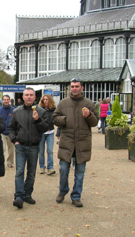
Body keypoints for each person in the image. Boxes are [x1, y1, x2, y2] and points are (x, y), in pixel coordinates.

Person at [53, 78, 98, 208]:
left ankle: (76, 196)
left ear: (82, 88)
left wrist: (89, 115)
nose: (74, 89)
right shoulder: (63, 103)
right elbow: (55, 118)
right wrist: (64, 120)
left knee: (79, 173)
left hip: (82, 143)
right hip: (67, 142)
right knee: (63, 170)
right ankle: (63, 190)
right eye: (72, 86)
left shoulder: (89, 104)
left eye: (77, 86)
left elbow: (95, 122)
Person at [8, 88, 49, 209]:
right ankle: (19, 197)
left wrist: (38, 120)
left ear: (35, 97)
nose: (29, 97)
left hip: (34, 146)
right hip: (20, 145)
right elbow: (10, 128)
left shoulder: (41, 112)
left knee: (31, 173)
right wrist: (14, 140)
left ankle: (27, 194)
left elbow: (45, 128)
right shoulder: (17, 111)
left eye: (31, 95)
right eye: (27, 95)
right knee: (19, 171)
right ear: (23, 97)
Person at [38, 94, 56, 175]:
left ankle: (50, 167)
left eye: (47, 99)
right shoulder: (39, 110)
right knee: (41, 151)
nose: (45, 101)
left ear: (50, 100)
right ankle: (42, 166)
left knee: (50, 151)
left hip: (50, 132)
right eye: (44, 99)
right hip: (41, 132)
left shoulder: (53, 110)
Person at [0, 95, 15, 168]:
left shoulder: (14, 110)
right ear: (2, 101)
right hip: (2, 132)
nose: (6, 101)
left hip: (11, 133)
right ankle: (1, 162)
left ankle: (10, 162)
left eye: (7, 99)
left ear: (9, 101)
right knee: (2, 148)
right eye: (4, 99)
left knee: (11, 149)